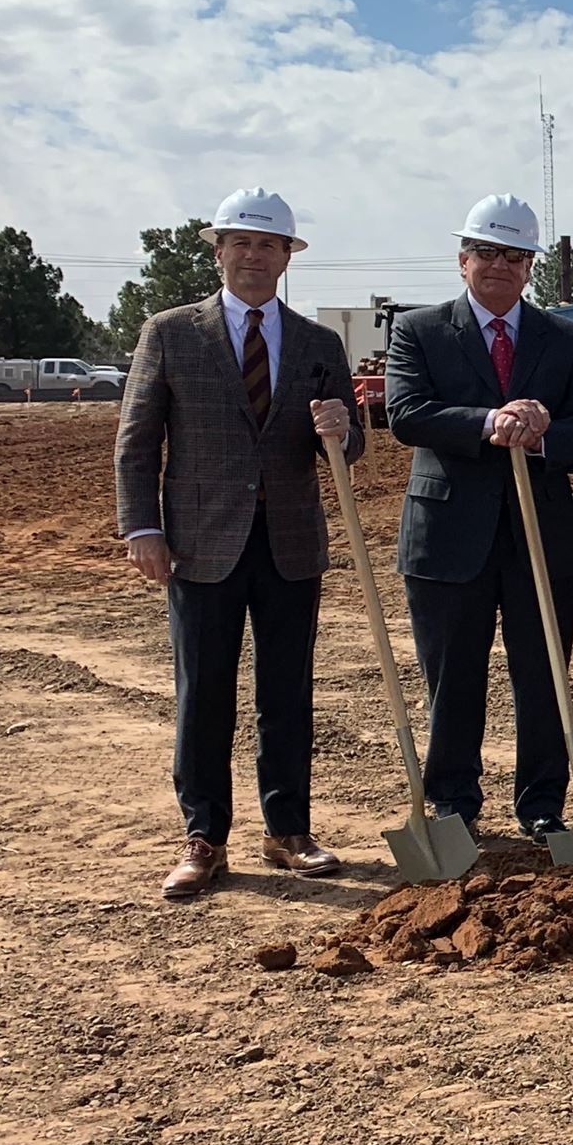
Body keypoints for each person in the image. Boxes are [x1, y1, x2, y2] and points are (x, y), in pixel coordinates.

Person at [114, 188, 364, 899]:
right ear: (218, 249)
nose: (254, 256)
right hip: (199, 543)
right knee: (204, 694)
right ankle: (204, 836)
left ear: (288, 257)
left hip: (289, 544)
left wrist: (341, 432)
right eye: (241, 243)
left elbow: (350, 453)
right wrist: (143, 528)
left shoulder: (319, 344)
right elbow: (137, 443)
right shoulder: (170, 332)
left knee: (286, 692)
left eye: (269, 245)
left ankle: (288, 829)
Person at [386, 194, 573, 840]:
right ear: (463, 260)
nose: (500, 266)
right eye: (487, 253)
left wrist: (541, 431)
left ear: (530, 265)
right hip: (448, 537)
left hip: (537, 533)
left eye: (514, 256)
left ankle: (542, 801)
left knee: (542, 674)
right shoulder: (419, 330)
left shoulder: (564, 338)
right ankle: (453, 801)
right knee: (453, 675)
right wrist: (490, 422)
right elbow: (407, 413)